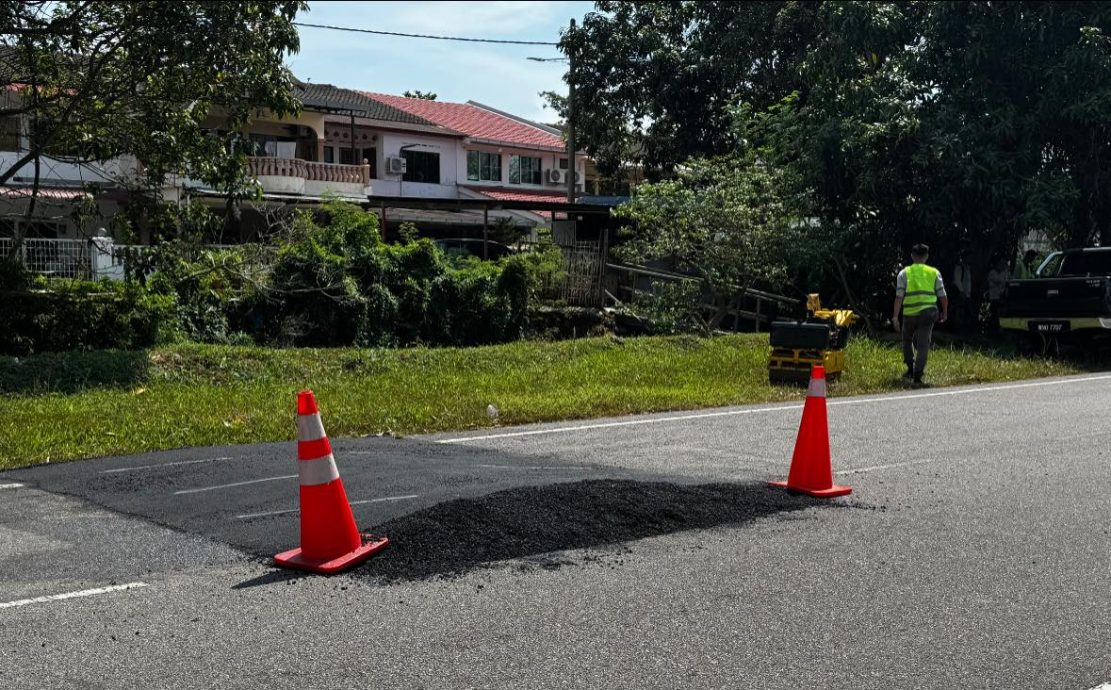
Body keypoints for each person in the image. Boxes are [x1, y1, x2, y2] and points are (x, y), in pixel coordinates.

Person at [893, 243, 948, 386]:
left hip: (909, 313)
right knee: (923, 344)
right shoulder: (934, 272)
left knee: (907, 340)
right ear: (927, 257)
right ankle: (918, 376)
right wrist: (945, 312)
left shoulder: (904, 273)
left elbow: (899, 296)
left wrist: (895, 317)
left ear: (912, 256)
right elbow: (942, 295)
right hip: (928, 313)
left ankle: (910, 369)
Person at [986, 258, 1009, 333]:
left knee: (1001, 313)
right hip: (994, 296)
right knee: (994, 313)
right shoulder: (992, 272)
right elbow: (996, 281)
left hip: (1002, 296)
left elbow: (1007, 282)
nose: (1002, 265)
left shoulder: (1005, 273)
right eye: (1001, 263)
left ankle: (999, 329)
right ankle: (991, 329)